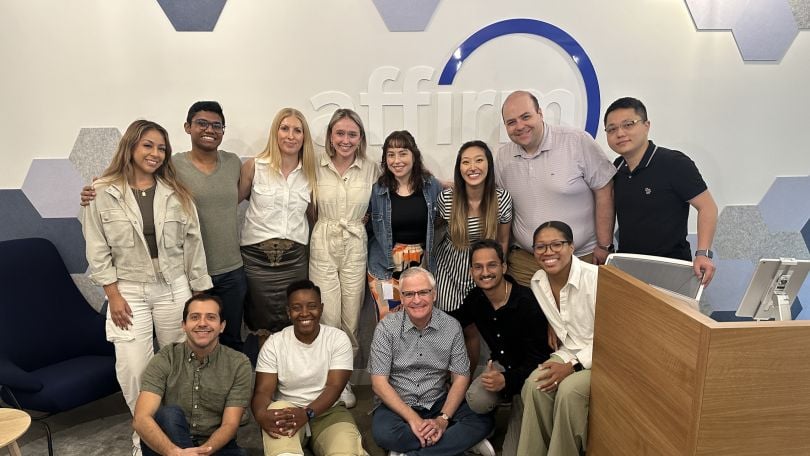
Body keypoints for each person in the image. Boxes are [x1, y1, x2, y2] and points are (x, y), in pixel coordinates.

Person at [81, 119, 213, 454]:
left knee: (182, 366)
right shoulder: (102, 192)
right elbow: (96, 247)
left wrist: (199, 297)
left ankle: (179, 432)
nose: (155, 153)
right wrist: (112, 296)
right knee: (133, 369)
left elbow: (194, 246)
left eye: (161, 148)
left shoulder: (177, 193)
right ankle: (146, 438)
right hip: (128, 292)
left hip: (174, 288)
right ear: (131, 146)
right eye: (148, 145)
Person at [83, 101, 246, 352]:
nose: (210, 130)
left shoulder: (234, 163)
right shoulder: (173, 167)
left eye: (217, 125)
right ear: (187, 127)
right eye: (202, 123)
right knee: (185, 345)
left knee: (227, 339)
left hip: (228, 270)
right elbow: (129, 179)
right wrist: (97, 188)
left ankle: (227, 389)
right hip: (180, 275)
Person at [368, 267, 495, 456]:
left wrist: (443, 419)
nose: (417, 300)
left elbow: (461, 377)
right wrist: (414, 419)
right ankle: (455, 444)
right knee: (384, 433)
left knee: (483, 419)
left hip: (438, 400)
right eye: (409, 294)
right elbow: (379, 384)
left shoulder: (451, 326)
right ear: (401, 298)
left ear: (434, 294)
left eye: (423, 292)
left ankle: (413, 451)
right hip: (398, 403)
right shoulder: (386, 328)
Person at [497, 90, 616, 285]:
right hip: (526, 264)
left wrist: (604, 246)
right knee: (528, 316)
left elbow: (605, 190)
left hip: (580, 259)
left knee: (584, 315)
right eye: (511, 122)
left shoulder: (576, 141)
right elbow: (502, 207)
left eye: (526, 117)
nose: (520, 126)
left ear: (540, 113)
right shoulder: (503, 157)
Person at [450, 239, 551, 456]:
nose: (485, 272)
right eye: (478, 267)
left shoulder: (527, 303)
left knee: (514, 453)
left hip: (533, 379)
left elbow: (540, 360)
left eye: (492, 265)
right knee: (477, 399)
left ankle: (522, 410)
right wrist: (420, 310)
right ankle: (488, 423)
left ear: (504, 267)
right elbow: (456, 319)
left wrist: (507, 381)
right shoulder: (477, 298)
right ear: (471, 272)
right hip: (503, 368)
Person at [604, 97, 718, 285]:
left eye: (628, 125)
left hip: (672, 269)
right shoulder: (617, 168)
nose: (620, 133)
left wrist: (703, 253)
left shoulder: (674, 163)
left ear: (646, 125)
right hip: (629, 269)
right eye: (612, 129)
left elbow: (707, 207)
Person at [309, 108, 379, 406]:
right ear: (330, 136)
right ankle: (324, 381)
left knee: (351, 317)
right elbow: (309, 208)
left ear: (360, 137)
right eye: (340, 133)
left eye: (352, 134)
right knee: (326, 316)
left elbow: (398, 186)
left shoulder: (371, 168)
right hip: (323, 241)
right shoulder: (316, 166)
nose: (346, 140)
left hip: (355, 244)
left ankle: (344, 382)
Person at [251, 280, 365, 456]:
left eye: (311, 306)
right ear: (289, 313)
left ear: (321, 308)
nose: (305, 313)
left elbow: (335, 387)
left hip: (330, 411)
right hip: (286, 410)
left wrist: (307, 413)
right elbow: (263, 391)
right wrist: (260, 415)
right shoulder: (275, 343)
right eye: (297, 308)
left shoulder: (337, 339)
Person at [133, 294, 252, 456]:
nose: (202, 323)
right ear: (184, 325)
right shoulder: (166, 358)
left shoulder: (239, 364)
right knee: (169, 415)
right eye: (195, 317)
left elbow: (230, 425)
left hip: (215, 446)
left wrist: (201, 452)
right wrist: (174, 452)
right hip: (169, 447)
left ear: (222, 325)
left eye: (210, 317)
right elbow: (141, 419)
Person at [239, 108, 318, 345]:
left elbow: (315, 218)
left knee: (293, 315)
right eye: (285, 129)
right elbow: (228, 203)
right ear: (275, 132)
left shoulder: (311, 174)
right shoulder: (255, 166)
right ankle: (266, 377)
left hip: (294, 260)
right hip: (256, 261)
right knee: (260, 321)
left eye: (297, 130)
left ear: (304, 137)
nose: (290, 136)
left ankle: (289, 378)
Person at [518, 221, 596, 456]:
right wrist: (552, 325)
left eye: (556, 244)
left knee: (569, 391)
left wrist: (573, 366)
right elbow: (560, 316)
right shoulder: (538, 281)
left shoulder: (596, 279)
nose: (548, 252)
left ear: (572, 247)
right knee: (534, 385)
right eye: (541, 247)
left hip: (600, 356)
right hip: (568, 351)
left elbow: (615, 338)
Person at [367, 130, 443, 320]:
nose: (396, 160)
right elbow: (369, 227)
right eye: (391, 155)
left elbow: (441, 222)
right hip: (385, 266)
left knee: (420, 320)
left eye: (402, 153)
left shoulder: (431, 185)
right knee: (389, 321)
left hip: (422, 265)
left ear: (414, 156)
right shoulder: (378, 190)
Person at [434, 140, 512, 313]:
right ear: (459, 168)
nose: (472, 167)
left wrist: (498, 274)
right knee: (452, 324)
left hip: (484, 271)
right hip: (449, 272)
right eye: (466, 162)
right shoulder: (446, 199)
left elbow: (503, 240)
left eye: (479, 160)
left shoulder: (502, 199)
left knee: (478, 329)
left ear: (489, 165)